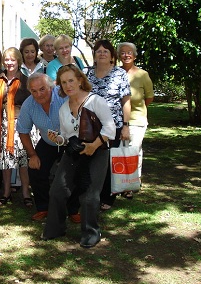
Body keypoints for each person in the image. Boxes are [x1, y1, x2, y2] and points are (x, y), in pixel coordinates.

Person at [42, 64, 115, 247]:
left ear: (80, 80)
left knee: (90, 195)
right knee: (57, 190)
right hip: (74, 153)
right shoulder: (64, 108)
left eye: (71, 80)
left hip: (98, 151)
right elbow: (67, 137)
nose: (68, 85)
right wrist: (58, 138)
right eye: (64, 82)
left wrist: (94, 145)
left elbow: (110, 127)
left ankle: (91, 232)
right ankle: (56, 228)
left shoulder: (96, 101)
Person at [87, 39, 131, 211]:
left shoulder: (120, 74)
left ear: (112, 55)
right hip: (91, 125)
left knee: (111, 162)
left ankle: (107, 197)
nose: (102, 53)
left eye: (106, 51)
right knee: (93, 161)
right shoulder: (87, 73)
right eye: (99, 51)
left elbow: (126, 101)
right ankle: (92, 194)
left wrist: (126, 126)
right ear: (95, 56)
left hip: (114, 125)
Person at [15, 73, 66, 221]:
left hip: (69, 141)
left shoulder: (63, 96)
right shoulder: (29, 104)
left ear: (51, 87)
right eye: (34, 91)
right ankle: (43, 208)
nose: (38, 94)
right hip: (48, 142)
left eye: (42, 89)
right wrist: (32, 155)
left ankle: (73, 209)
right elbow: (23, 131)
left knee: (71, 171)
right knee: (35, 168)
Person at [0, 47, 33, 207]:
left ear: (18, 61)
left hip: (21, 124)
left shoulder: (25, 80)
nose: (9, 63)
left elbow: (31, 102)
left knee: (23, 160)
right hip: (3, 124)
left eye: (12, 60)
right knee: (5, 161)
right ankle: (6, 193)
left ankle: (26, 193)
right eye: (6, 59)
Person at [118, 42, 154, 190]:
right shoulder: (115, 72)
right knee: (122, 151)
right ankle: (122, 182)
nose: (126, 55)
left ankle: (131, 184)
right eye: (123, 52)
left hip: (137, 119)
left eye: (129, 52)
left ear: (134, 55)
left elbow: (149, 97)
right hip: (119, 120)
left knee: (133, 149)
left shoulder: (142, 74)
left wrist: (137, 108)